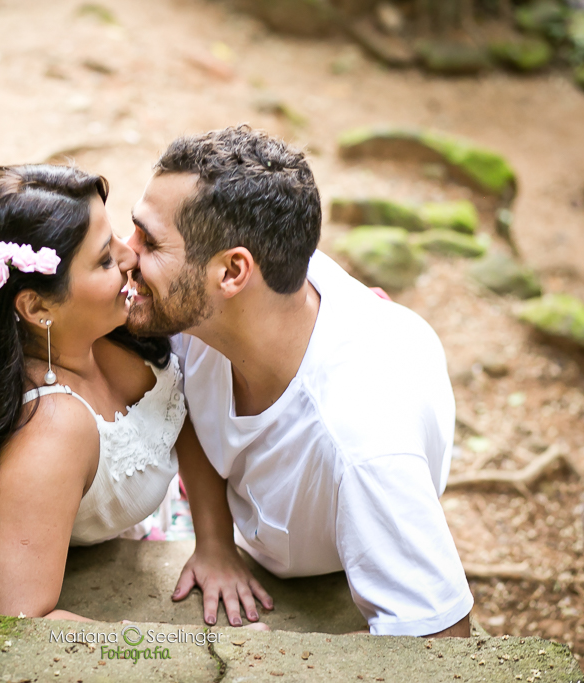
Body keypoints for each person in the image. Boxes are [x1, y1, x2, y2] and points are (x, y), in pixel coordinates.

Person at [125, 125, 473, 637]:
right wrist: (215, 538)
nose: (124, 251)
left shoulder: (360, 446)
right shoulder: (234, 303)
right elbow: (182, 396)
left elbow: (444, 641)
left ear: (232, 273)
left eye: (148, 241)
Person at [0, 164, 271, 622]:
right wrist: (165, 652)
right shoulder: (51, 435)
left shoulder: (111, 324)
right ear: (37, 306)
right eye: (105, 259)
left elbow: (181, 414)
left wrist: (216, 543)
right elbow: (19, 621)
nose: (130, 256)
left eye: (115, 236)